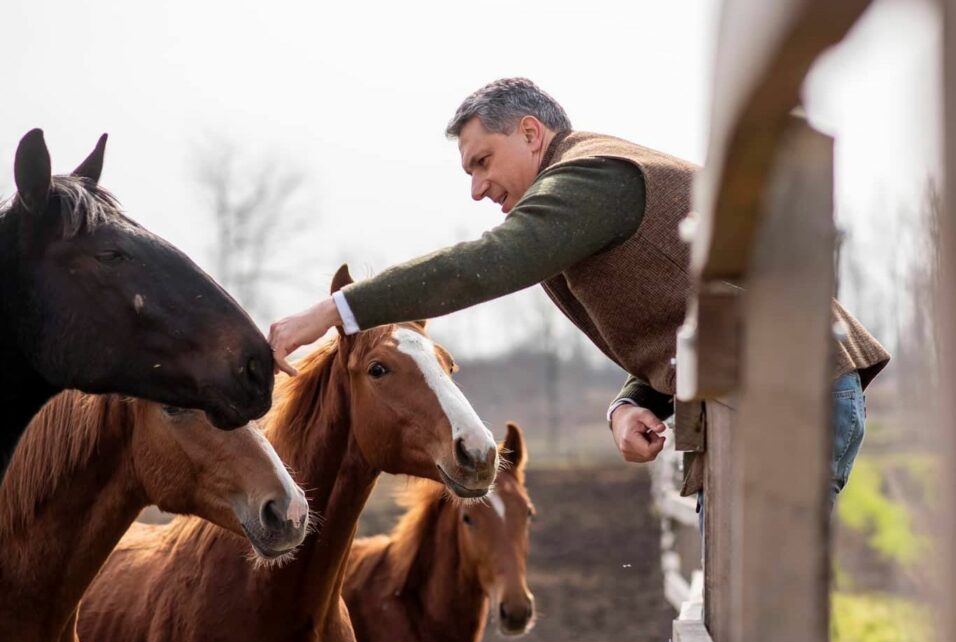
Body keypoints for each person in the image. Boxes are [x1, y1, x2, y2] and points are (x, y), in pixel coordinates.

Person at [268, 78, 889, 505]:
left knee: (761, 609)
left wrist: (332, 311)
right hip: (761, 396)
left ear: (533, 134)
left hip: (789, 395)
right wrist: (628, 404)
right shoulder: (574, 206)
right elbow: (687, 316)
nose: (478, 189)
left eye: (483, 162)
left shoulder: (589, 177)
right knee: (742, 612)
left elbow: (485, 265)